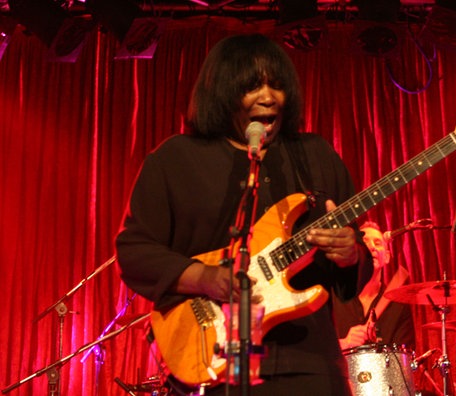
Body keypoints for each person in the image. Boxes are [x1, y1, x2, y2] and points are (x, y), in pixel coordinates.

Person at [116, 33, 373, 396]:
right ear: (222, 92)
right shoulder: (174, 159)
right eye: (252, 86)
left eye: (277, 85)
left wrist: (350, 255)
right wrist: (205, 278)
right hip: (210, 360)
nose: (268, 97)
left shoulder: (315, 155)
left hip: (309, 363)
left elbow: (355, 265)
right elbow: (135, 251)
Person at [332, 221, 415, 351]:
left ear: (387, 257)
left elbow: (404, 360)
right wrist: (344, 343)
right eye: (365, 242)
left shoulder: (398, 305)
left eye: (378, 243)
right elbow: (312, 350)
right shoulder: (333, 296)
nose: (372, 247)